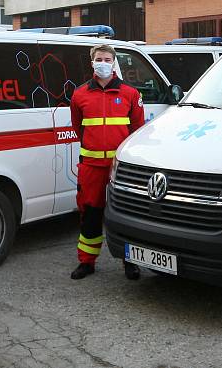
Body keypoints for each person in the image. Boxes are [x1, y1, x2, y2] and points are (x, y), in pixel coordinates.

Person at [69, 44, 145, 280]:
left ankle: (130, 262)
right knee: (89, 214)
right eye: (99, 58)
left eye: (107, 59)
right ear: (92, 62)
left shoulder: (130, 93)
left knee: (125, 215)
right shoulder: (80, 94)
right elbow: (77, 127)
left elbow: (137, 131)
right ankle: (87, 261)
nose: (103, 62)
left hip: (119, 169)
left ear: (114, 63)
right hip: (90, 168)